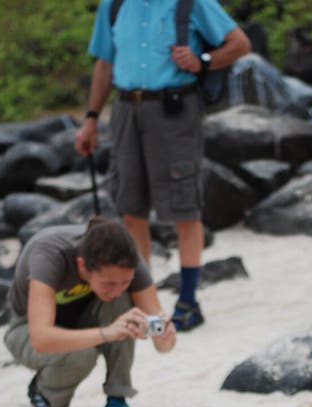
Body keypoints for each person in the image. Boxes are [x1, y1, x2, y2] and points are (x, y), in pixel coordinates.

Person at [74, 0, 251, 332]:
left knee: (185, 208)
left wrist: (204, 60)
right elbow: (104, 63)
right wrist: (91, 119)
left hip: (175, 110)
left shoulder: (191, 2)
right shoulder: (113, 6)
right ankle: (144, 298)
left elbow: (240, 43)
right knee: (131, 209)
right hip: (126, 109)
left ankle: (188, 301)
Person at [4, 216, 176, 407]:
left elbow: (161, 338)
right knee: (81, 355)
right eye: (109, 283)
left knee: (126, 311)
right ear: (82, 265)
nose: (117, 289)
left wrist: (165, 338)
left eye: (125, 282)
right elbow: (41, 338)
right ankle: (44, 393)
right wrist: (106, 333)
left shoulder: (128, 260)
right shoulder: (48, 255)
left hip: (83, 319)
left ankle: (117, 399)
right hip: (26, 329)